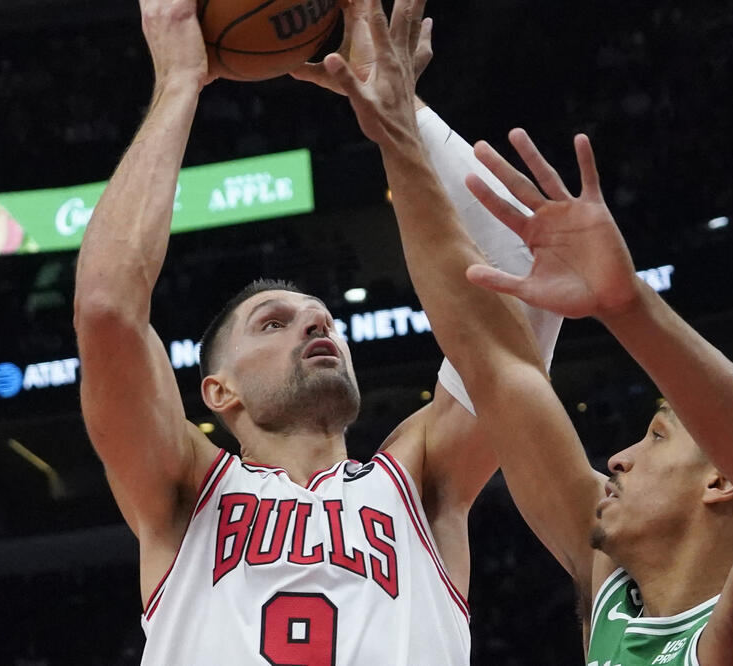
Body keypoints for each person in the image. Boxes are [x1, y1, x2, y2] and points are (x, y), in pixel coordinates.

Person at [73, 0, 561, 663]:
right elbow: (106, 307)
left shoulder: (422, 478)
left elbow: (526, 283)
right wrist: (178, 85)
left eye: (322, 319)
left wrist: (400, 116)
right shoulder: (183, 491)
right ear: (219, 392)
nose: (312, 322)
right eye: (273, 323)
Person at [445, 130, 733, 663]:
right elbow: (494, 367)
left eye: (657, 435)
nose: (617, 459)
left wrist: (628, 307)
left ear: (721, 479)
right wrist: (401, 126)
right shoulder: (613, 595)